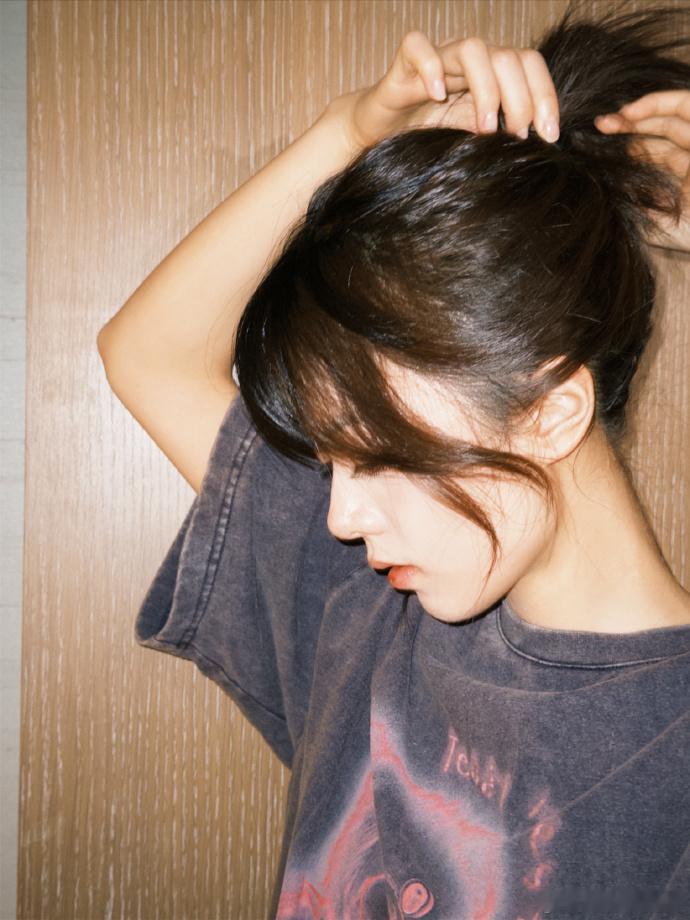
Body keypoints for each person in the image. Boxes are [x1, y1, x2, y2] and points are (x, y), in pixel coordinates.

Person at [98, 1, 690, 917]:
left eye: (375, 454)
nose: (341, 517)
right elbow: (147, 356)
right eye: (331, 460)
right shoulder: (366, 616)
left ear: (551, 412)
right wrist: (351, 131)